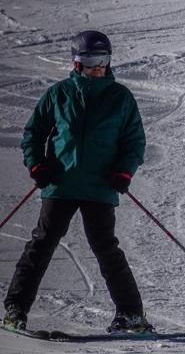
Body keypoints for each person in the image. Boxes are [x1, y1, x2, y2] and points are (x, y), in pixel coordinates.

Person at [3, 31, 149, 335]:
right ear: (76, 62)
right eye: (91, 60)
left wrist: (124, 171)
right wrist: (37, 165)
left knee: (106, 249)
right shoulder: (59, 94)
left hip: (99, 187)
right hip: (61, 183)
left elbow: (134, 141)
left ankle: (131, 314)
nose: (98, 67)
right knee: (41, 245)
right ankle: (15, 310)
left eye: (103, 60)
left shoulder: (120, 97)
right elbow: (33, 134)